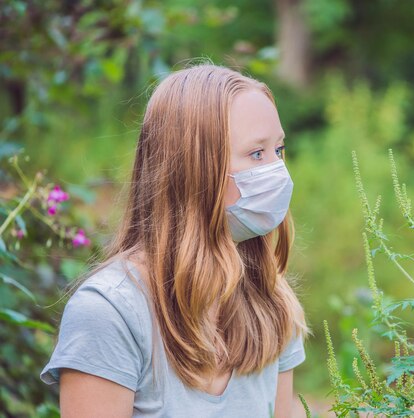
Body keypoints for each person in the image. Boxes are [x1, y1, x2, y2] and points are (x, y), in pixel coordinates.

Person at [40, 62, 309, 417]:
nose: (278, 171)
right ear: (194, 169)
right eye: (257, 153)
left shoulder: (270, 302)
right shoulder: (110, 312)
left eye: (279, 150)